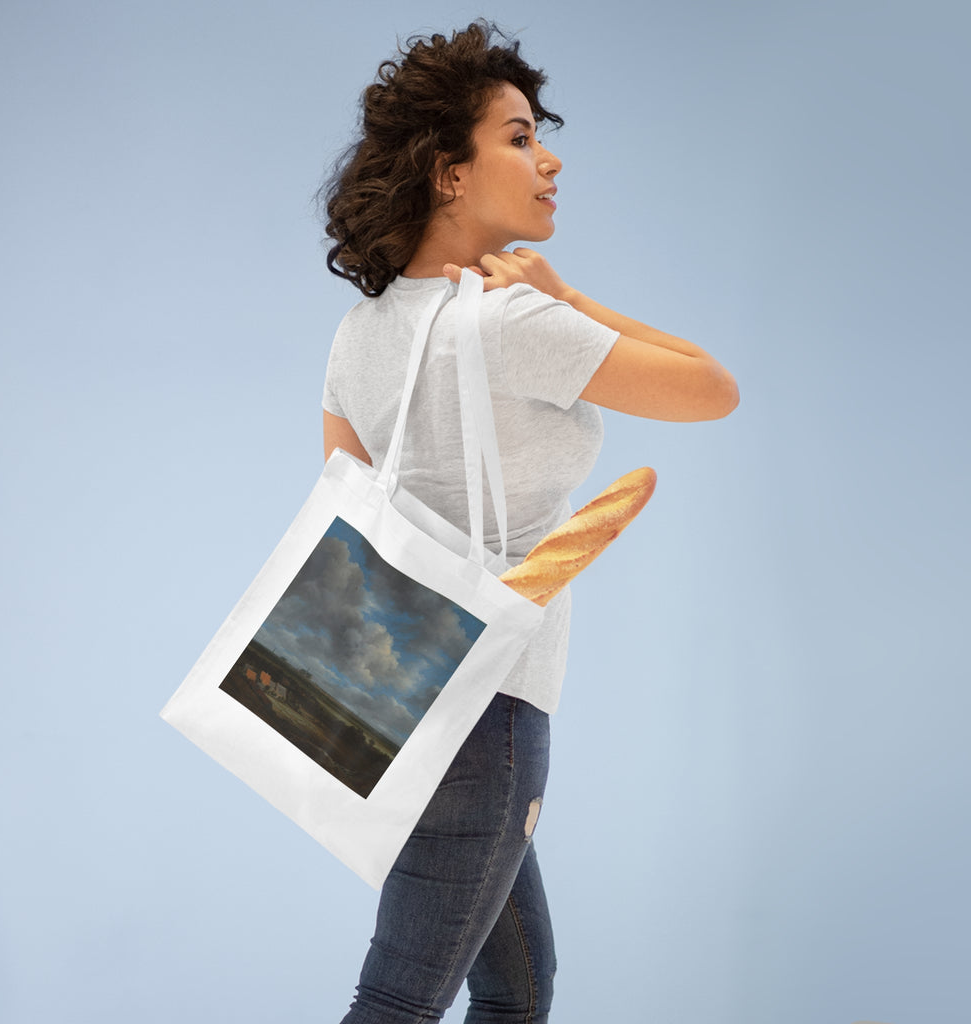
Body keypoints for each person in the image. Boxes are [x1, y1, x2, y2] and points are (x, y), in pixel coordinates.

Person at [320, 20, 738, 1024]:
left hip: (394, 697)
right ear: (448, 173)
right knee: (399, 999)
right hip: (491, 702)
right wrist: (573, 299)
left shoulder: (360, 329)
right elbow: (713, 389)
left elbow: (345, 506)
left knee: (515, 985)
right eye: (516, 136)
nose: (547, 158)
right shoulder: (512, 319)